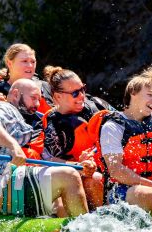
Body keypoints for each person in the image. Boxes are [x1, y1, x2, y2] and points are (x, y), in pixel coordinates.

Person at [0, 78, 88, 218]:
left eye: (39, 100)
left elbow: (44, 157)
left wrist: (78, 165)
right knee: (68, 177)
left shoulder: (30, 123)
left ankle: (65, 231)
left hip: (5, 180)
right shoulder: (2, 107)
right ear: (15, 94)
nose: (36, 104)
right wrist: (14, 146)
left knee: (63, 192)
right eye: (33, 98)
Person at [95, 68, 152, 227]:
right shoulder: (112, 127)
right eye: (150, 95)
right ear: (133, 93)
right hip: (122, 191)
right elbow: (116, 171)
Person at [41, 65, 105, 208]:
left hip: (109, 169)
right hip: (79, 177)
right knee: (93, 179)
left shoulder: (95, 106)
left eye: (82, 89)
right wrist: (78, 166)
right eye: (75, 93)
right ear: (58, 96)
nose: (82, 96)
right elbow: (49, 160)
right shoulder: (52, 126)